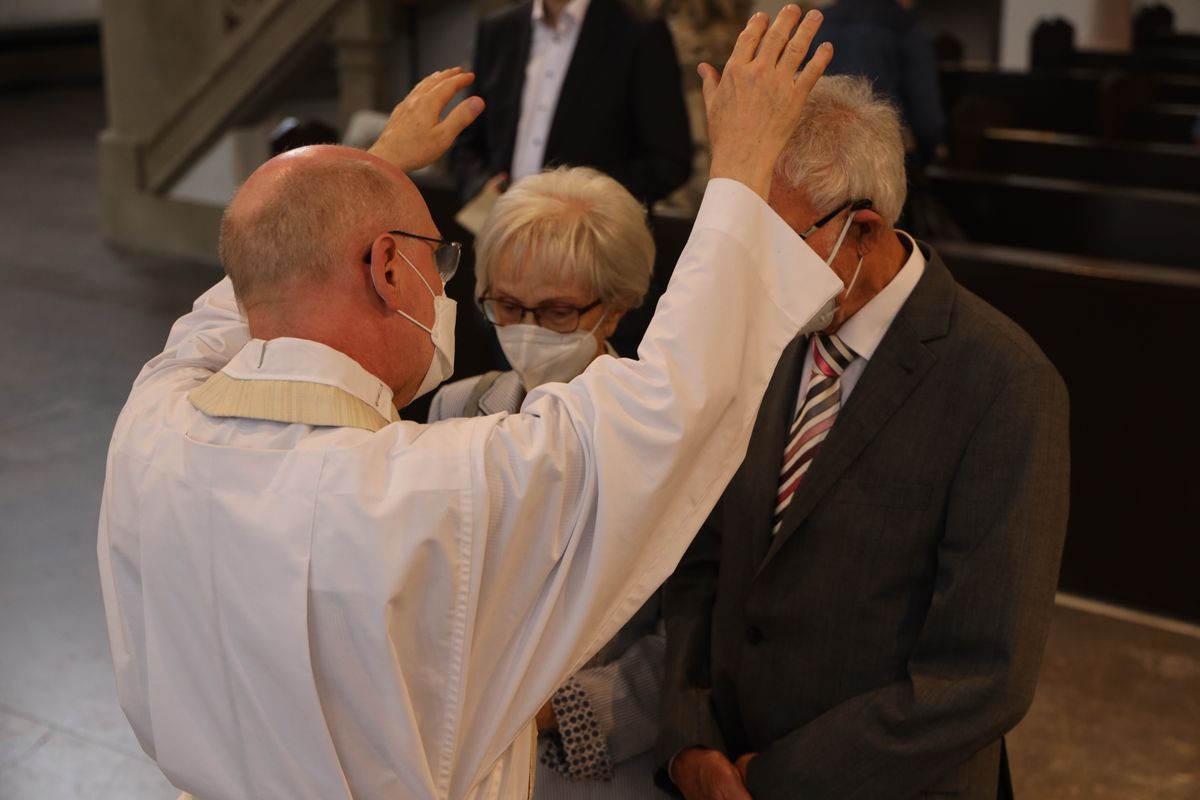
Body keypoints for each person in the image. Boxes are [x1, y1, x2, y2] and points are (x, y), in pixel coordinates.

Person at [97, 8, 843, 799]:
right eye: (440, 261)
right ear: (388, 267)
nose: (450, 289)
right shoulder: (436, 485)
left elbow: (231, 305)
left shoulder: (150, 424)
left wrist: (367, 172)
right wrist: (741, 171)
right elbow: (670, 403)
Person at [656, 75, 1070, 800]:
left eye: (774, 245)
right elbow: (702, 558)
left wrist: (776, 779)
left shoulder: (1004, 383)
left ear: (866, 231)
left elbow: (982, 674)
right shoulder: (763, 336)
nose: (750, 274)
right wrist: (691, 739)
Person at [429, 165, 668, 798]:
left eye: (559, 311)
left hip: (594, 771)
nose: (527, 329)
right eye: (507, 306)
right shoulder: (456, 408)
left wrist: (551, 714)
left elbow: (684, 638)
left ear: (614, 309)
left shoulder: (661, 436)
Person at [449, 0, 693, 208]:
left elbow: (669, 160)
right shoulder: (497, 29)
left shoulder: (641, 32)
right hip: (501, 232)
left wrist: (582, 201)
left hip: (592, 244)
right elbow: (466, 146)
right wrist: (481, 187)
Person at [810, 0, 945, 166]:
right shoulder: (905, 26)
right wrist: (927, 156)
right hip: (881, 160)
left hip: (819, 157)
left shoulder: (817, 22)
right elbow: (926, 119)